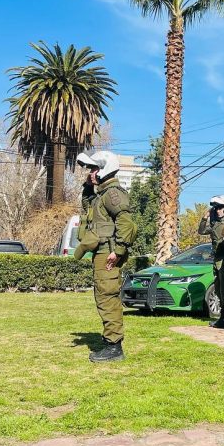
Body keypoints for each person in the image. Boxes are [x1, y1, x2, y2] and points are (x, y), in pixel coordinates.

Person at [75, 151, 137, 362]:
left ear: (104, 169)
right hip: (101, 252)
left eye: (93, 169)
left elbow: (126, 222)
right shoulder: (101, 194)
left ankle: (114, 347)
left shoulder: (112, 194)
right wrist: (87, 186)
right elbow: (87, 207)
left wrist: (118, 251)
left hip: (108, 253)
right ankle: (110, 339)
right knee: (103, 295)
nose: (90, 173)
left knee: (107, 297)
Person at [200, 195, 224, 329]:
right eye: (215, 207)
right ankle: (223, 317)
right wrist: (204, 218)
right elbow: (201, 231)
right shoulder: (215, 223)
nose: (217, 210)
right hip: (217, 259)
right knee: (219, 288)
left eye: (220, 207)